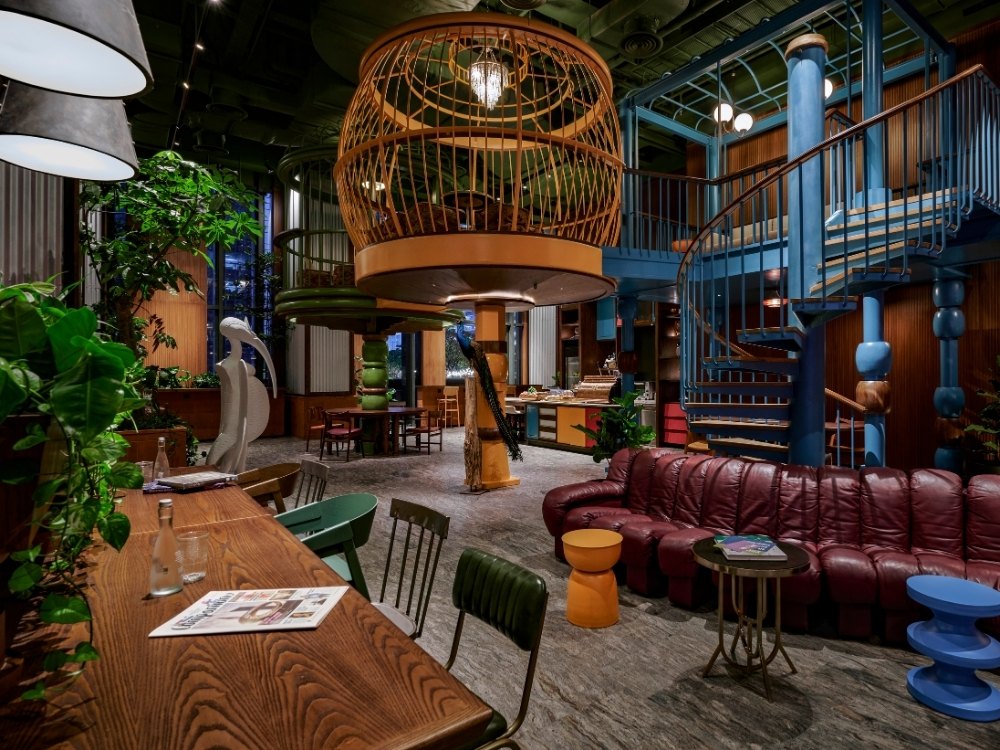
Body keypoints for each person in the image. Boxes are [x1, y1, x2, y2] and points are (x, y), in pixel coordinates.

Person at [206, 317, 276, 473]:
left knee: (235, 450)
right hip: (232, 422)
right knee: (229, 444)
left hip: (236, 420)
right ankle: (214, 474)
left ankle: (227, 477)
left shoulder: (237, 365)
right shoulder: (233, 366)